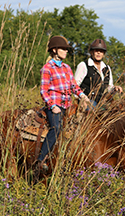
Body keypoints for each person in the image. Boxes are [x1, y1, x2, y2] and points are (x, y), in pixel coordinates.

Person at [36, 35, 89, 172]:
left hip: (68, 105)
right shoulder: (47, 68)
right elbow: (43, 90)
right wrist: (52, 106)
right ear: (54, 50)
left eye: (66, 49)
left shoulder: (67, 68)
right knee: (56, 127)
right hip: (55, 106)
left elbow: (74, 86)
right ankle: (41, 159)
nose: (66, 51)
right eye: (63, 49)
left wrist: (83, 95)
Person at [74, 39, 123, 108]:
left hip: (102, 101)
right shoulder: (84, 65)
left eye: (101, 51)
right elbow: (75, 85)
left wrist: (115, 88)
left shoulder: (107, 68)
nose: (98, 53)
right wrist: (82, 99)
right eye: (96, 50)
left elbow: (109, 87)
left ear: (104, 54)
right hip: (87, 100)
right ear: (91, 52)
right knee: (92, 109)